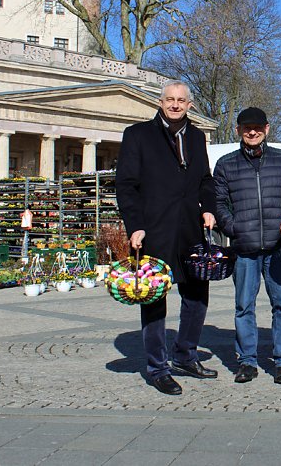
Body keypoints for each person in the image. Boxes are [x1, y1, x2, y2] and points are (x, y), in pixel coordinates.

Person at [115, 81, 217, 396]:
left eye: (181, 100)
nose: (175, 105)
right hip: (154, 230)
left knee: (197, 296)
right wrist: (135, 226)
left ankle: (186, 355)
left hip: (190, 230)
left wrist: (209, 209)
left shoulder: (198, 137)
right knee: (154, 298)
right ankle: (158, 367)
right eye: (169, 100)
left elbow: (204, 180)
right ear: (161, 102)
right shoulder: (138, 135)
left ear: (190, 104)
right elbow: (126, 186)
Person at [213, 107, 281, 385]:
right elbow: (219, 202)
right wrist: (232, 227)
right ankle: (247, 360)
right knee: (244, 307)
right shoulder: (226, 164)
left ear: (267, 129)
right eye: (246, 127)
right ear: (238, 130)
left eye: (257, 127)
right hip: (245, 247)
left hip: (278, 246)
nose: (252, 131)